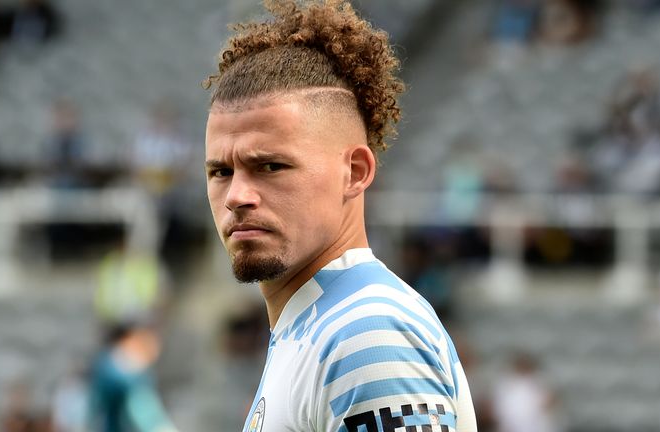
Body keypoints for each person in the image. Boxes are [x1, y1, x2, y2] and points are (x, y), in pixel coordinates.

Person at [202, 1, 477, 431]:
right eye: (221, 171)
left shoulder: (366, 332)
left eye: (271, 166)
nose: (237, 195)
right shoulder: (316, 326)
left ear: (354, 173)